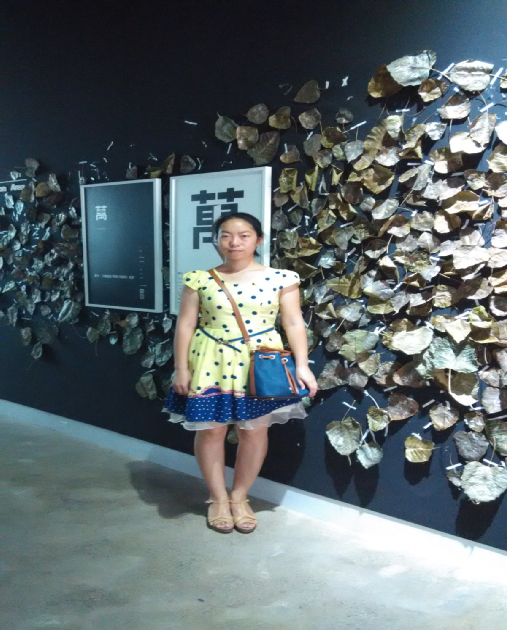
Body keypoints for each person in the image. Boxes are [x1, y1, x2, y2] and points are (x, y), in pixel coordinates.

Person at [162, 212, 319, 533]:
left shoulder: (281, 278)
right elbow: (186, 325)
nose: (234, 242)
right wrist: (181, 368)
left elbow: (293, 322)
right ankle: (217, 498)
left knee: (254, 431)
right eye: (226, 235)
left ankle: (240, 497)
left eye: (244, 235)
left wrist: (302, 365)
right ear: (217, 240)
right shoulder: (199, 279)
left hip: (259, 363)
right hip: (209, 360)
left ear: (258, 240)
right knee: (211, 431)